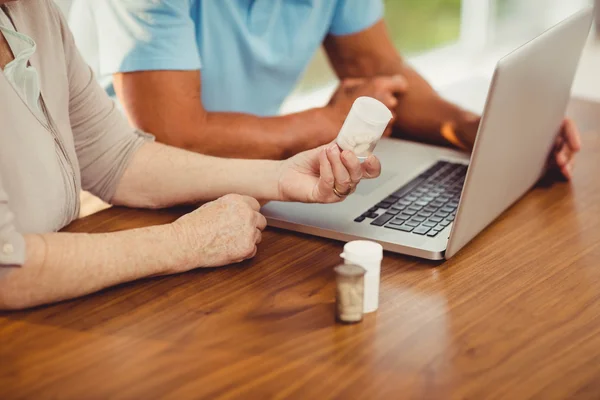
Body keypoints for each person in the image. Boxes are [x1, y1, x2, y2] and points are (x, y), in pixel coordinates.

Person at [0, 0, 381, 310]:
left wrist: (281, 176)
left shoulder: (33, 11)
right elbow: (7, 266)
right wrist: (186, 242)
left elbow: (114, 156)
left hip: (58, 300)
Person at [70, 0, 580, 179]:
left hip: (254, 175)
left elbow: (386, 82)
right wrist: (320, 123)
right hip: (116, 193)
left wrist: (477, 130)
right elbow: (171, 135)